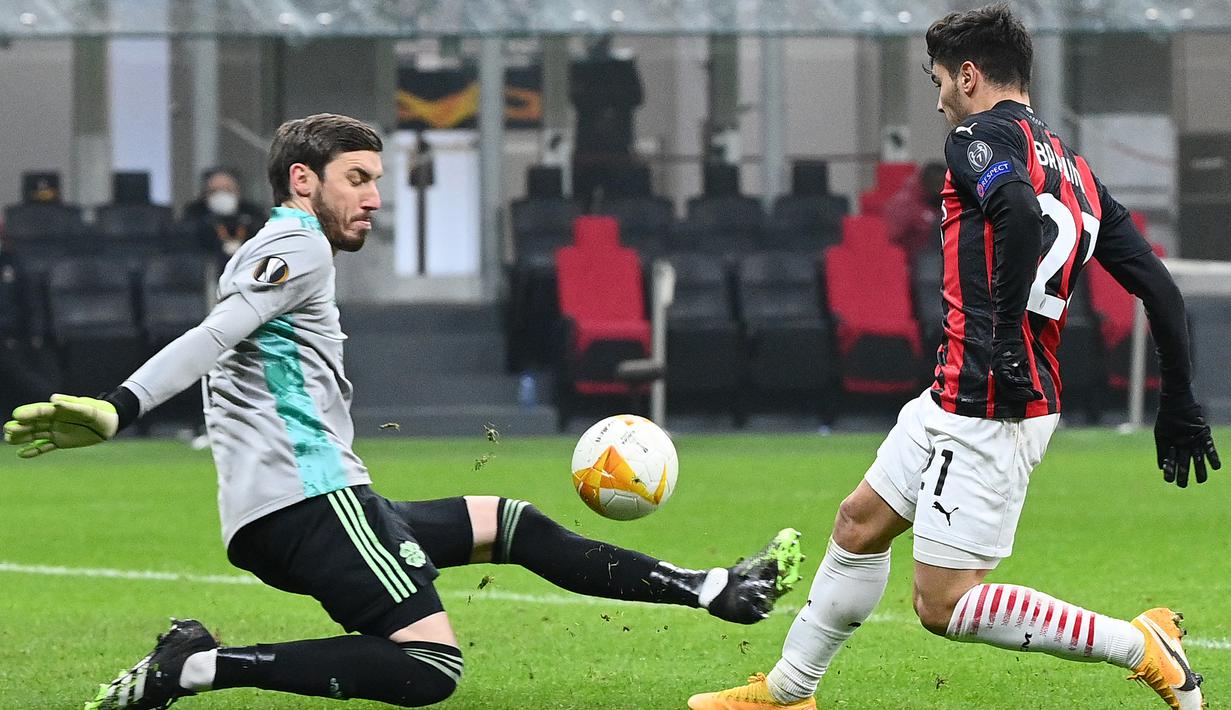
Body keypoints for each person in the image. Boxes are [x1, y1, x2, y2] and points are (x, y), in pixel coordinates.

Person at [3, 113, 804, 710]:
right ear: (303, 181)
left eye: (376, 180)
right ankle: (197, 667)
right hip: (309, 502)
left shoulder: (274, 248)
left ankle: (712, 589)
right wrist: (119, 406)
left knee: (510, 523)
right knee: (429, 667)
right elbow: (214, 334)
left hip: (294, 506)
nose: (376, 198)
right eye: (358, 178)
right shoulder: (298, 245)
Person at [687, 5, 1218, 710]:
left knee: (941, 604)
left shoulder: (975, 137)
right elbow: (1159, 288)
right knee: (858, 524)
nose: (938, 98)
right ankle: (788, 693)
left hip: (992, 399)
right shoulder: (1079, 172)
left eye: (938, 80)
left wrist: (1005, 338)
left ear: (967, 76)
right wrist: (1179, 399)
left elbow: (1016, 212)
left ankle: (1140, 645)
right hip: (959, 390)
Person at [181, 167, 266, 265]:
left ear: (238, 191)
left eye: (228, 189)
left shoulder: (253, 213)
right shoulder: (194, 214)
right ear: (205, 194)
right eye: (214, 191)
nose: (221, 195)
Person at [882, 161, 947, 259]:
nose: (941, 188)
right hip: (916, 253)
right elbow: (892, 235)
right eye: (938, 184)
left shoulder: (944, 198)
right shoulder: (905, 203)